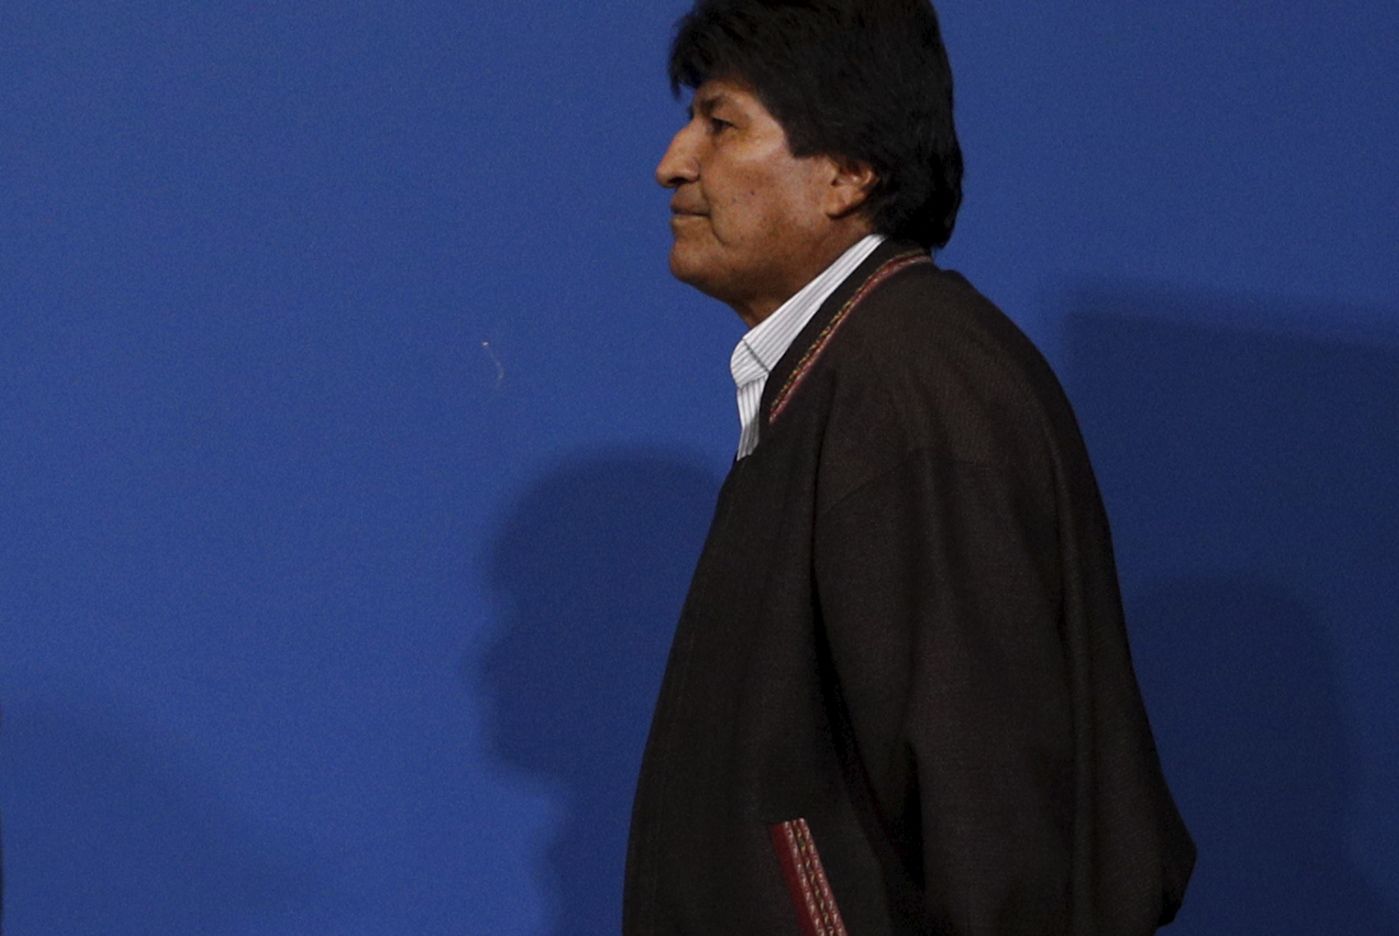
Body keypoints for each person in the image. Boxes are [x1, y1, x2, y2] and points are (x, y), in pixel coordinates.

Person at [623, 1, 1196, 934]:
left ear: (851, 171)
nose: (674, 161)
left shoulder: (905, 386)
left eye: (721, 124)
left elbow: (995, 818)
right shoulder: (856, 370)